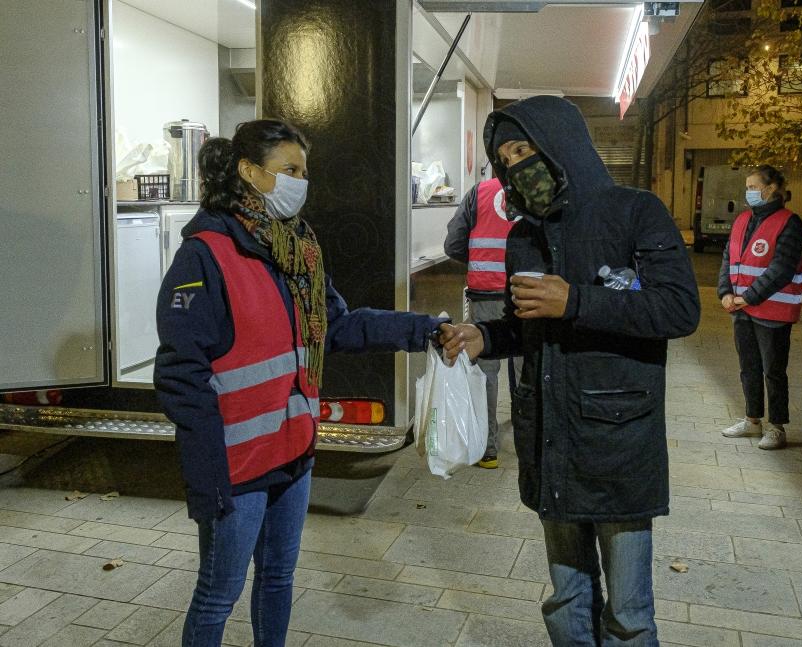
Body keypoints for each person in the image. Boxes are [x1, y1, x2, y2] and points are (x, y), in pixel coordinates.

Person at [154, 119, 444, 647]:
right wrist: (208, 470)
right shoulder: (206, 254)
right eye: (289, 170)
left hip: (293, 452)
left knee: (277, 578)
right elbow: (181, 374)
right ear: (249, 173)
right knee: (219, 594)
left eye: (304, 171)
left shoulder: (299, 251)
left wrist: (424, 329)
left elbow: (338, 325)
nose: (301, 181)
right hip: (236, 465)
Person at [439, 96, 700, 647]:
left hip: (618, 439)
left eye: (522, 148)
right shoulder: (523, 236)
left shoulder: (636, 212)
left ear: (559, 144)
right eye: (503, 157)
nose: (514, 165)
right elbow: (521, 324)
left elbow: (679, 309)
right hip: (550, 435)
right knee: (565, 600)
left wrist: (577, 301)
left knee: (628, 615)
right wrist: (484, 336)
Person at [718, 165, 802, 449]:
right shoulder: (743, 220)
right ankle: (752, 420)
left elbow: (782, 267)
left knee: (773, 370)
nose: (749, 192)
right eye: (748, 187)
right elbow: (728, 259)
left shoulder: (789, 222)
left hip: (772, 312)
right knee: (749, 367)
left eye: (753, 187)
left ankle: (777, 426)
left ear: (770, 190)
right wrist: (725, 292)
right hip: (742, 309)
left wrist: (750, 296)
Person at [444, 176, 522, 468]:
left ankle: (487, 451)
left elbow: (452, 243)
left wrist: (478, 257)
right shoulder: (536, 188)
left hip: (486, 292)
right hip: (526, 292)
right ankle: (528, 445)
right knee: (526, 369)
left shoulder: (479, 191)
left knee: (485, 373)